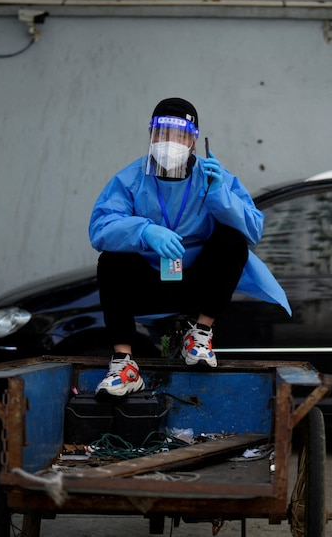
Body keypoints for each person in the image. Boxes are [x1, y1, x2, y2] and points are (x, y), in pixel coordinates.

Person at [89, 97, 290, 396]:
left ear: (194, 141)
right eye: (162, 133)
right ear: (151, 136)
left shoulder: (211, 177)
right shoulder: (130, 178)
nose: (169, 142)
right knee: (111, 261)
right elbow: (100, 228)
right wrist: (145, 231)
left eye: (180, 134)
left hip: (198, 285)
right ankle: (124, 363)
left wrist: (220, 196)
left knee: (231, 240)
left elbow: (253, 229)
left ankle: (200, 334)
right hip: (149, 284)